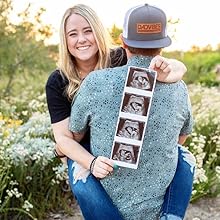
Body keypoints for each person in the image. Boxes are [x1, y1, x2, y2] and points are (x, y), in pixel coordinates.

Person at [45, 3, 195, 220]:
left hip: (126, 143)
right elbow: (64, 139)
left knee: (183, 157)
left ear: (99, 32)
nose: (82, 39)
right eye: (73, 34)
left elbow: (170, 63)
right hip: (83, 148)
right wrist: (92, 162)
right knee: (80, 171)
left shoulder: (120, 57)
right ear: (65, 39)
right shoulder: (58, 81)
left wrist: (169, 74)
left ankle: (170, 216)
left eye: (88, 31)